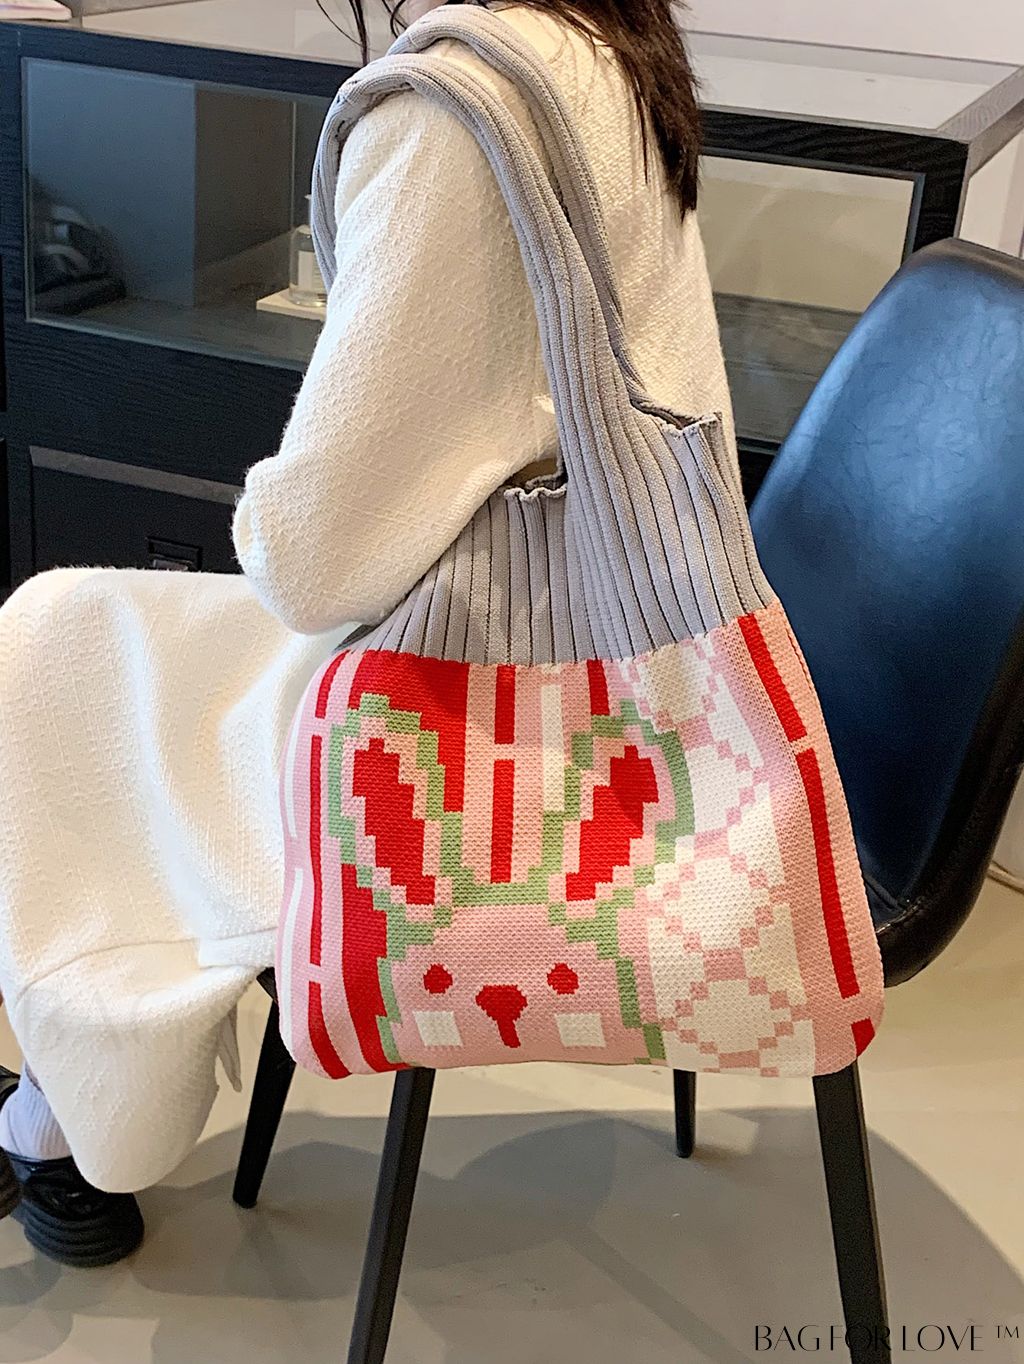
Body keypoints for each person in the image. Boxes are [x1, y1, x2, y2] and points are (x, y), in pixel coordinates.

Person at [0, 0, 734, 1266]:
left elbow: (311, 557)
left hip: (491, 717)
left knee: (55, 638)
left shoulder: (454, 110)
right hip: (634, 672)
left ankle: (66, 1110)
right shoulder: (613, 50)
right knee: (94, 643)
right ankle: (73, 1091)